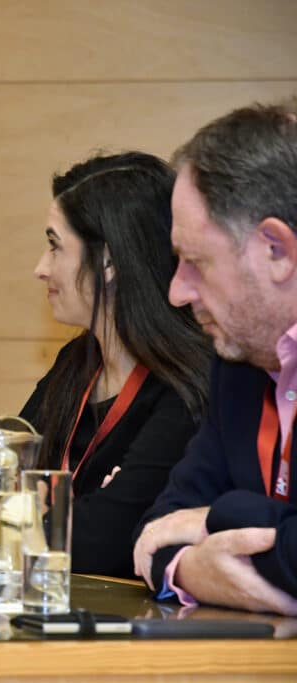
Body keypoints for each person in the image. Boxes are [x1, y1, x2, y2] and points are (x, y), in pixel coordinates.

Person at [133, 100, 297, 615]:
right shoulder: (238, 366)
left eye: (195, 262)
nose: (177, 292)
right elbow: (155, 533)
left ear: (276, 250)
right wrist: (189, 570)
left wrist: (214, 518)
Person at [21, 152, 213, 578]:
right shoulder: (75, 362)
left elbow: (105, 543)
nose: (41, 268)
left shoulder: (185, 384)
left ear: (108, 261)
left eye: (54, 246)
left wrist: (28, 516)